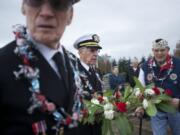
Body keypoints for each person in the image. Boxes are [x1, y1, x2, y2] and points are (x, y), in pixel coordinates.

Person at [0, 0, 81, 135]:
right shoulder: (3, 64)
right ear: (23, 7)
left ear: (70, 15)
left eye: (58, 4)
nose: (46, 13)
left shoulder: (73, 63)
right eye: (36, 1)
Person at [138, 38, 180, 135]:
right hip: (156, 109)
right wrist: (140, 106)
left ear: (168, 50)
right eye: (156, 50)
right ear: (153, 50)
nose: (159, 53)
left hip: (175, 109)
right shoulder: (145, 67)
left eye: (162, 50)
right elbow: (141, 89)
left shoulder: (178, 64)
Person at [71, 34, 103, 135]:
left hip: (97, 125)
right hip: (82, 127)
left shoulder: (96, 72)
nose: (96, 54)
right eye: (92, 50)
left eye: (97, 51)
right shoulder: (72, 71)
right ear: (80, 52)